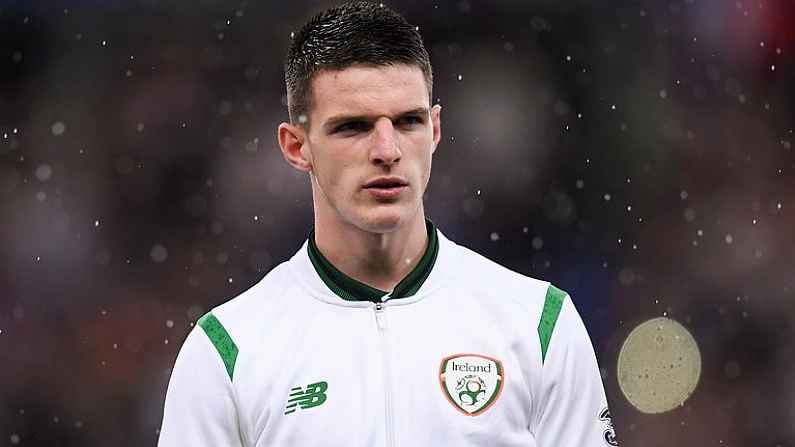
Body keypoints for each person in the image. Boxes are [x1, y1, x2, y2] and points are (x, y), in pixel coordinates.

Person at [157, 2, 617, 446]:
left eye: (408, 122)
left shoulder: (539, 323)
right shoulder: (227, 351)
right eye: (353, 126)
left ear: (434, 131)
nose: (387, 150)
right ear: (297, 147)